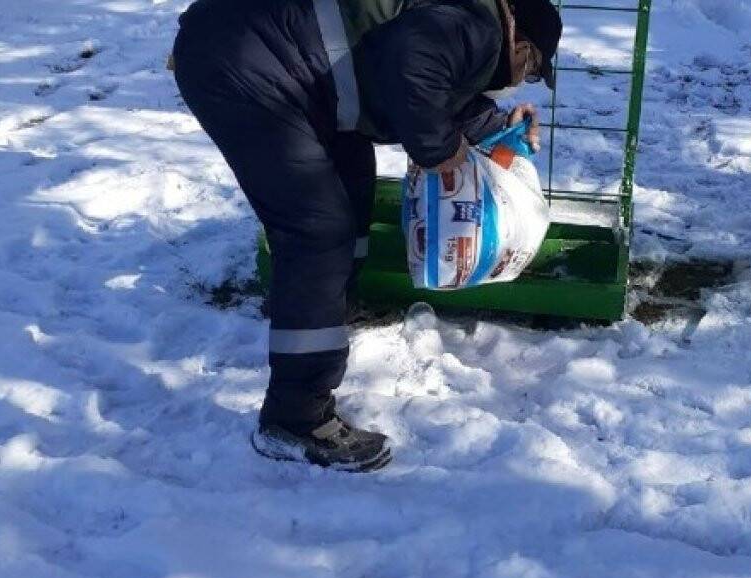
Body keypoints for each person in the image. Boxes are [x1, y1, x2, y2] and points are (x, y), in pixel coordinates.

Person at [172, 0, 562, 472]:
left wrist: (498, 125)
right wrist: (441, 150)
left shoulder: (462, 17)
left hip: (257, 51)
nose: (521, 80)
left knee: (352, 172)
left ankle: (323, 310)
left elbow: (430, 79)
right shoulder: (480, 26)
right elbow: (411, 63)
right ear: (519, 36)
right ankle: (294, 417)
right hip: (245, 62)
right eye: (534, 67)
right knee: (317, 231)